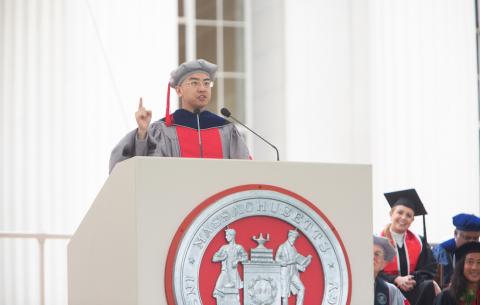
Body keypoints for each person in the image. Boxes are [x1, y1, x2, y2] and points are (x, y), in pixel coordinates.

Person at [109, 59, 250, 173]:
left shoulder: (225, 129)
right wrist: (142, 133)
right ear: (179, 90)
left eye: (207, 83)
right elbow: (146, 170)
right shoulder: (163, 130)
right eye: (194, 82)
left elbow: (246, 170)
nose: (202, 88)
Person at [379, 188, 441, 305]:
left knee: (428, 285)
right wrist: (395, 279)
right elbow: (373, 271)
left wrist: (410, 279)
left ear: (412, 220)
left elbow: (428, 268)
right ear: (391, 214)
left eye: (408, 215)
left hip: (412, 288)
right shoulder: (378, 240)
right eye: (400, 212)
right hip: (387, 287)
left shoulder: (419, 241)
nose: (403, 218)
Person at [433, 214, 480, 287]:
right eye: (467, 238)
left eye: (476, 238)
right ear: (455, 234)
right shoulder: (443, 251)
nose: (471, 242)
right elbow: (443, 281)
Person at [275, 229, 311, 305]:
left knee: (301, 288)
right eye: (294, 238)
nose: (294, 240)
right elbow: (277, 259)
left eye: (295, 238)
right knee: (284, 294)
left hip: (293, 272)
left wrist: (302, 265)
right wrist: (286, 262)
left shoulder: (294, 249)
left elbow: (295, 261)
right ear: (290, 236)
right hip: (285, 272)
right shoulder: (282, 246)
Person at [212, 228, 248, 305]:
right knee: (218, 289)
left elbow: (246, 257)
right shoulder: (224, 247)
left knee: (234, 293)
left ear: (232, 236)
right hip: (225, 272)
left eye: (227, 235)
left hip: (233, 274)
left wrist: (237, 260)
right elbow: (214, 258)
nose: (226, 237)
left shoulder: (238, 247)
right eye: (226, 235)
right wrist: (222, 258)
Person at [374, 235, 410, 305]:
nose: (372, 257)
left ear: (383, 264)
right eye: (368, 252)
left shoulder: (391, 291)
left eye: (377, 254)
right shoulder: (347, 285)